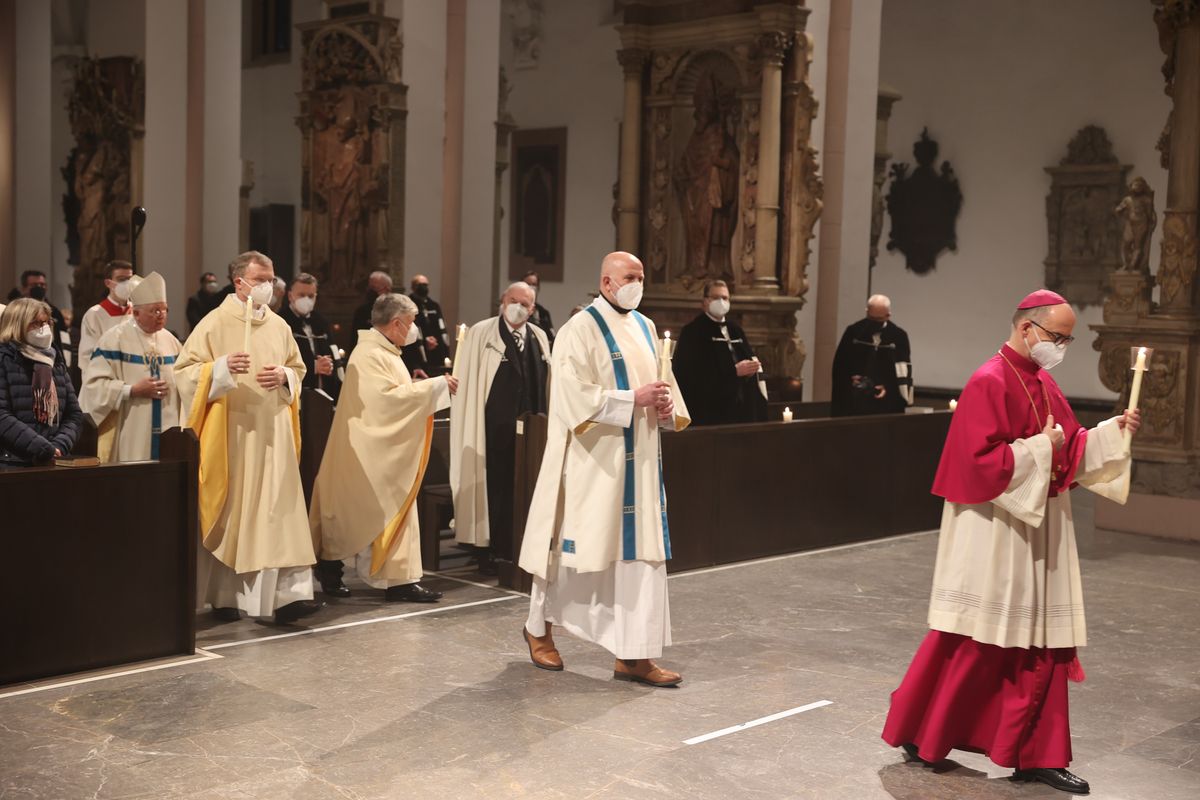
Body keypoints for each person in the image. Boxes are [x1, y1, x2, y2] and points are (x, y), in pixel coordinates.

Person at [881, 290, 1140, 795]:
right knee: (976, 639)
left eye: (1068, 339)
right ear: (1027, 328)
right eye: (1057, 337)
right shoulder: (988, 381)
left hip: (1039, 527)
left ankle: (1037, 754)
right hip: (994, 530)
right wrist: (1045, 446)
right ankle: (921, 733)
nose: (1062, 347)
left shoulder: (1042, 382)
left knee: (1039, 641)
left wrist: (1113, 431)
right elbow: (978, 465)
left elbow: (1072, 444)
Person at [518, 251, 689, 687]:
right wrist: (634, 399)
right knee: (571, 554)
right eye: (630, 277)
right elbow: (572, 397)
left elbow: (662, 383)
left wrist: (666, 406)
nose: (638, 283)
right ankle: (538, 629)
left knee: (639, 559)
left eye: (642, 276)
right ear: (607, 283)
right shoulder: (579, 330)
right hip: (594, 462)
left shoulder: (647, 327)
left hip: (641, 464)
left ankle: (633, 655)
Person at [174, 250, 320, 625]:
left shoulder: (279, 325)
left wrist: (284, 378)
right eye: (260, 280)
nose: (268, 286)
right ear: (239, 282)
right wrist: (219, 369)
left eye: (271, 279)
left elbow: (298, 369)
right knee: (233, 515)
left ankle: (289, 597)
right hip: (233, 435)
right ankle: (225, 596)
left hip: (273, 433)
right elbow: (184, 374)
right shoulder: (213, 322)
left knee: (280, 512)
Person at [309, 293, 458, 602]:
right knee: (350, 511)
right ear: (397, 323)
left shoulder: (386, 352)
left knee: (389, 507)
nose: (415, 328)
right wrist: (436, 386)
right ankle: (330, 568)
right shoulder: (368, 355)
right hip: (363, 452)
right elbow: (385, 402)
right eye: (413, 322)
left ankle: (398, 579)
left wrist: (430, 386)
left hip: (379, 448)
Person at [450, 281, 551, 575]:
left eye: (525, 303)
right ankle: (488, 551)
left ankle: (519, 546)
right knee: (494, 490)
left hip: (530, 432)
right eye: (512, 300)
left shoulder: (539, 336)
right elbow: (470, 383)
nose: (517, 307)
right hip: (493, 430)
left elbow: (545, 379)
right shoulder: (483, 333)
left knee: (524, 489)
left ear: (532, 309)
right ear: (503, 301)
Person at [80, 272, 181, 462]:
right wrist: (131, 390)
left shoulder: (171, 341)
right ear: (136, 313)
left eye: (165, 310)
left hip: (168, 428)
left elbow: (186, 378)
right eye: (155, 311)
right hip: (130, 428)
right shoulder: (113, 340)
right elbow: (93, 386)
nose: (162, 316)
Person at [0, 298, 84, 465]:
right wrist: (41, 447)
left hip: (53, 458)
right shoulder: (4, 359)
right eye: (36, 323)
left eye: (46, 322)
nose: (44, 329)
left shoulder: (54, 362)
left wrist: (59, 445)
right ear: (18, 324)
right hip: (11, 462)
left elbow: (73, 414)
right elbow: (1, 414)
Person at [673, 279, 766, 425]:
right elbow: (689, 374)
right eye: (716, 297)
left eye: (725, 298)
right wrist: (733, 372)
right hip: (709, 409)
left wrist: (751, 368)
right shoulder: (692, 331)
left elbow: (747, 356)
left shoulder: (735, 329)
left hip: (740, 406)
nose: (721, 302)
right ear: (705, 302)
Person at [830, 295, 912, 417]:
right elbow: (839, 365)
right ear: (867, 312)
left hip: (886, 404)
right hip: (855, 402)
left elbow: (903, 371)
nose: (874, 323)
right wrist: (850, 380)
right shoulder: (854, 332)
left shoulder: (898, 336)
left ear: (888, 315)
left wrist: (887, 387)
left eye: (878, 319)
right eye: (871, 318)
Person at [278, 273, 341, 401]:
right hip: (292, 393)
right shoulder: (280, 321)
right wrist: (313, 366)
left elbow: (333, 351)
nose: (306, 299)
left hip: (321, 391)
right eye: (301, 295)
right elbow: (278, 359)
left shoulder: (322, 322)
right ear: (290, 296)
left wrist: (329, 365)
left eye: (311, 296)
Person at [78, 260, 137, 364]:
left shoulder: (138, 311)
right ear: (108, 283)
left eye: (130, 279)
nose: (127, 284)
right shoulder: (94, 314)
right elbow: (88, 355)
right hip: (107, 374)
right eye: (121, 279)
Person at [17, 271, 70, 366]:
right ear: (24, 288)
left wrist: (65, 363)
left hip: (53, 359)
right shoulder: (16, 311)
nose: (39, 287)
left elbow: (63, 338)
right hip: (22, 358)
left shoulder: (55, 312)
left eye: (42, 284)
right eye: (34, 285)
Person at [409, 274, 450, 376]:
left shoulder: (433, 305)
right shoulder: (409, 304)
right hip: (417, 350)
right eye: (420, 285)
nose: (424, 287)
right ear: (414, 287)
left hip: (435, 352)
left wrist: (435, 340)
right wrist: (424, 340)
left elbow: (441, 327)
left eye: (426, 285)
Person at [521, 270, 556, 348]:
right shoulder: (516, 310)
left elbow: (551, 336)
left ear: (538, 288)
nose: (531, 287)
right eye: (528, 284)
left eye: (534, 284)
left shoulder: (543, 313)